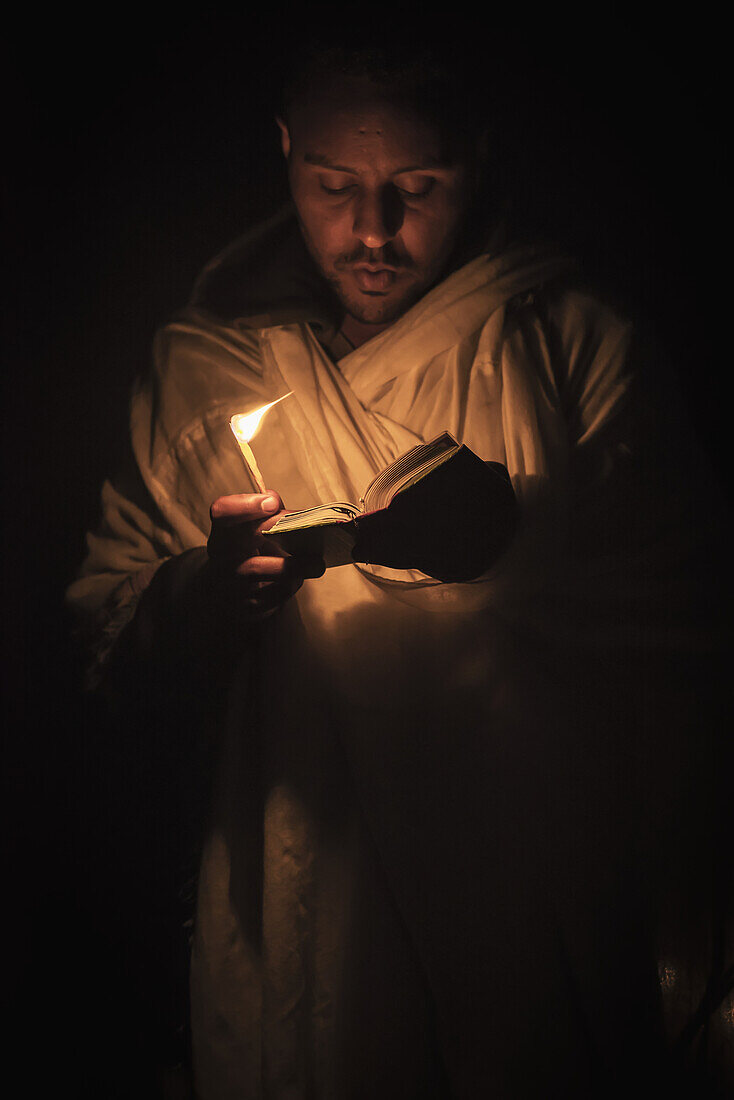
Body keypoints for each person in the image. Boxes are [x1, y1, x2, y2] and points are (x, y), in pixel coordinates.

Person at [66, 33, 731, 1100]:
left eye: (416, 186)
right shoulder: (205, 363)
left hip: (528, 904)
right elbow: (100, 639)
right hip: (293, 905)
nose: (371, 230)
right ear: (282, 150)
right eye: (332, 184)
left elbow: (686, 648)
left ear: (479, 152)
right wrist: (202, 595)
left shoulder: (571, 349)